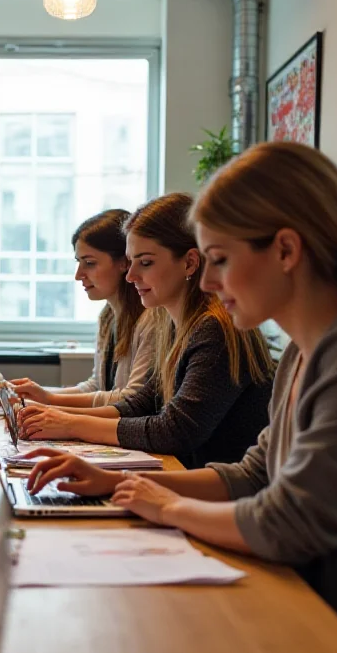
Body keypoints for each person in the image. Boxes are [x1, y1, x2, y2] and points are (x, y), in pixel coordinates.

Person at [24, 142, 337, 642]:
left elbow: (291, 522)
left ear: (287, 251)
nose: (207, 279)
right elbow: (257, 474)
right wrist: (111, 483)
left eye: (221, 259)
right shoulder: (303, 351)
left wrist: (165, 507)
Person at [19, 193, 274, 468]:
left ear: (189, 262)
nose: (130, 276)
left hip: (220, 494)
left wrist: (71, 424)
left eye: (146, 262)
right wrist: (50, 413)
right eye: (131, 262)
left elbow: (175, 431)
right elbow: (141, 404)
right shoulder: (172, 325)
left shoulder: (215, 329)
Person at [0, 209, 153, 409]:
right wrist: (31, 393)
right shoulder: (108, 317)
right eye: (79, 263)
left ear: (124, 262)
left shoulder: (150, 320)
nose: (78, 274)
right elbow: (97, 386)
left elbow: (131, 399)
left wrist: (48, 400)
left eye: (89, 263)